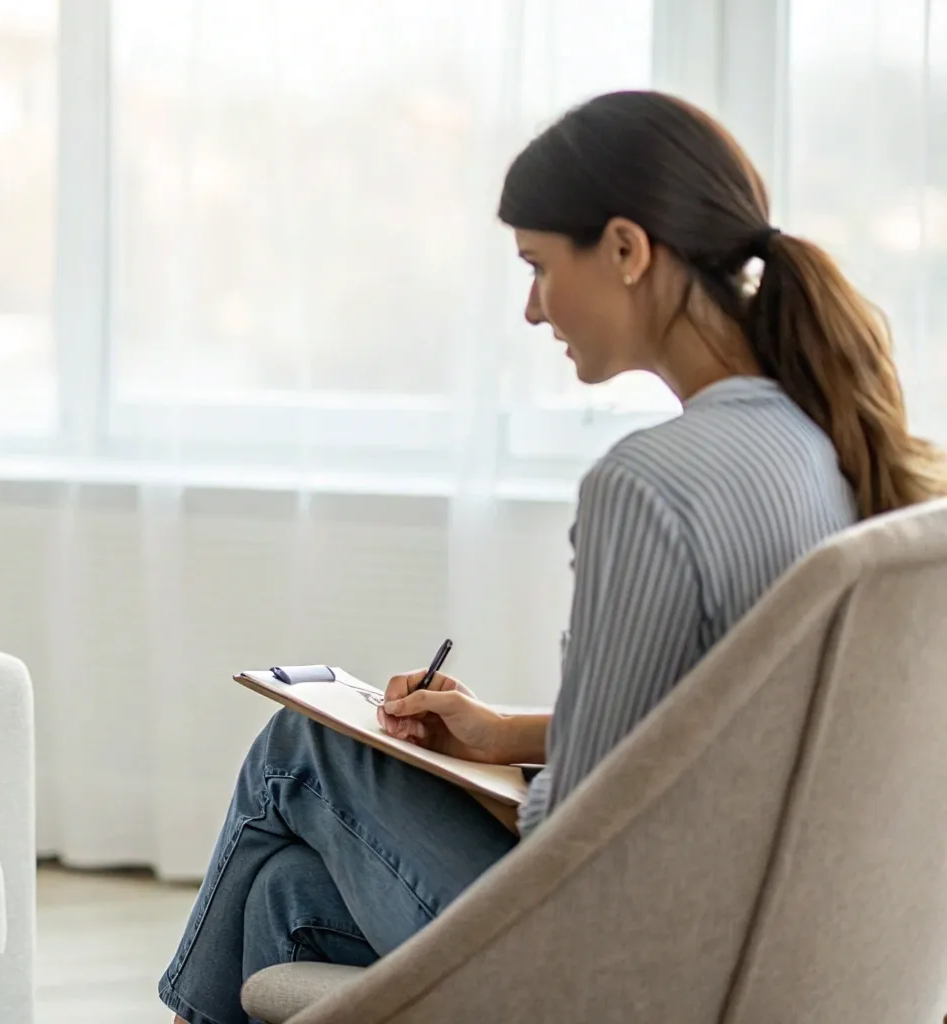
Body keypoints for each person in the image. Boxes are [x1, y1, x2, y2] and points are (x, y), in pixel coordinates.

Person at [158, 89, 947, 1024]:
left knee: (303, 746)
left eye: (538, 267)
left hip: (615, 969)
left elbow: (576, 830)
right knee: (285, 895)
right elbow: (711, 720)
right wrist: (504, 736)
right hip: (753, 943)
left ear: (625, 248)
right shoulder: (824, 444)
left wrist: (515, 787)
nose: (532, 310)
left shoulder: (650, 485)